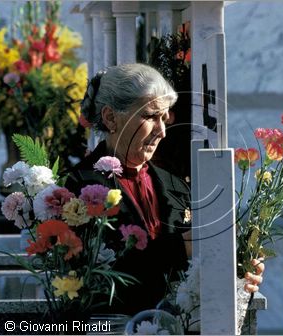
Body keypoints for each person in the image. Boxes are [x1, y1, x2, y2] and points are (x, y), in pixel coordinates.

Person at [66, 63, 263, 316]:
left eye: (164, 117)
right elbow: (98, 278)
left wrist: (238, 271)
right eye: (150, 116)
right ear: (111, 117)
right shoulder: (80, 186)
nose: (161, 132)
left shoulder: (174, 183)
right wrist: (181, 248)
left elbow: (198, 264)